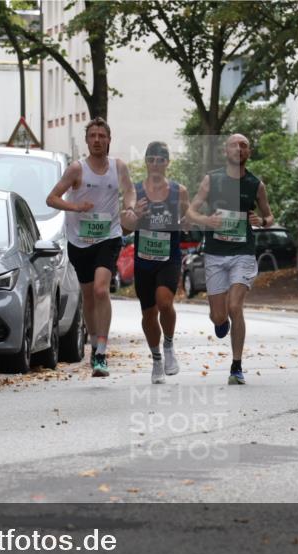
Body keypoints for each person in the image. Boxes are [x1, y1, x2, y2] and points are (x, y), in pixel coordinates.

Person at [46, 117, 137, 377]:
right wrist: (75, 207)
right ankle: (94, 343)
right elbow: (51, 198)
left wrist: (129, 206)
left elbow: (129, 191)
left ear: (109, 140)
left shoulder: (118, 167)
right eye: (93, 136)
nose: (97, 140)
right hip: (79, 240)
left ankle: (101, 352)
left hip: (108, 236)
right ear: (87, 141)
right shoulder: (76, 169)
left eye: (102, 136)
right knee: (87, 295)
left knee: (100, 290)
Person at [186, 134, 273, 385]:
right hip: (215, 253)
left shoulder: (256, 184)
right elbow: (192, 210)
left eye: (244, 145)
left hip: (243, 253)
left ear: (249, 152)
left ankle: (236, 366)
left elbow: (269, 217)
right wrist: (206, 221)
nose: (239, 148)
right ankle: (220, 321)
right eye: (234, 145)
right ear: (226, 151)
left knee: (236, 306)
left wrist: (261, 221)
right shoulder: (211, 180)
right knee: (218, 316)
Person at [121, 141, 188, 384]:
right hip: (143, 260)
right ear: (146, 162)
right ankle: (157, 358)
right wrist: (135, 215)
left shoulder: (179, 191)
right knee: (148, 314)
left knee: (164, 301)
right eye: (152, 159)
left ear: (167, 162)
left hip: (168, 257)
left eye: (161, 159)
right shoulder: (135, 191)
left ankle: (168, 346)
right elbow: (124, 226)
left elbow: (187, 219)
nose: (157, 164)